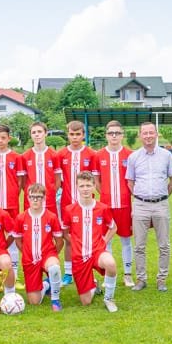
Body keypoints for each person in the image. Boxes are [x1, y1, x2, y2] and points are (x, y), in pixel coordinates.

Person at [126, 121, 172, 292]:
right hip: (140, 204)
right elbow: (130, 182)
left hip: (161, 204)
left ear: (156, 134)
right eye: (144, 133)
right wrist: (141, 198)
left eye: (151, 132)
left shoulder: (166, 155)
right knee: (139, 245)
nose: (148, 136)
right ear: (140, 136)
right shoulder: (133, 157)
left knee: (164, 245)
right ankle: (141, 279)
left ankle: (161, 279)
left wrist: (162, 196)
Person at [61, 171, 118, 312]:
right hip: (79, 257)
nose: (85, 189)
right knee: (85, 302)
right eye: (82, 186)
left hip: (97, 251)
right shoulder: (69, 210)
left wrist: (104, 240)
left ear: (94, 187)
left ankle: (109, 299)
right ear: (77, 187)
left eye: (88, 185)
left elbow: (113, 227)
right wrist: (74, 243)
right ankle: (94, 285)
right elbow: (65, 232)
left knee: (110, 263)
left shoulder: (102, 208)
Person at [93, 120, 135, 288]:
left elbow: (133, 180)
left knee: (125, 240)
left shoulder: (130, 155)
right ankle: (110, 275)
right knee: (106, 240)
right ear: (106, 135)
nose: (114, 136)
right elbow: (96, 181)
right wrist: (105, 196)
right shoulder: (99, 155)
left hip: (125, 205)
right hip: (106, 206)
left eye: (117, 133)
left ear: (122, 135)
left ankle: (128, 274)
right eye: (111, 133)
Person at [56, 120, 97, 285]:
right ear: (68, 135)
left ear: (83, 135)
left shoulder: (91, 154)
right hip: (67, 204)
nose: (75, 137)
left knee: (88, 239)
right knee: (68, 239)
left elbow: (94, 180)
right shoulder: (60, 155)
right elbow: (58, 181)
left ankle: (89, 273)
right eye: (72, 134)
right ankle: (68, 273)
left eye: (78, 134)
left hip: (87, 204)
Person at [13, 183, 64, 310]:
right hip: (29, 260)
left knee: (54, 267)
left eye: (39, 197)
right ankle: (47, 285)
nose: (35, 200)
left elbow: (59, 241)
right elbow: (18, 240)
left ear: (44, 198)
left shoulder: (51, 217)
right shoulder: (20, 218)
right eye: (32, 197)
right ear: (27, 198)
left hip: (47, 255)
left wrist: (52, 255)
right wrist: (26, 252)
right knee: (34, 301)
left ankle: (55, 300)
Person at [0, 124, 26, 278]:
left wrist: (13, 193)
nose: (1, 141)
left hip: (11, 204)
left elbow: (20, 181)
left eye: (3, 138)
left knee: (14, 236)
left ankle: (13, 274)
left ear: (9, 138)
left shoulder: (16, 157)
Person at [21, 121, 61, 217]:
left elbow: (58, 180)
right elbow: (23, 181)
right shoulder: (25, 156)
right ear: (30, 135)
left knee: (49, 227)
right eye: (34, 132)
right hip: (31, 199)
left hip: (49, 199)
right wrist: (30, 192)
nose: (37, 135)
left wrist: (51, 192)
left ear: (46, 133)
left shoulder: (54, 155)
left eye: (39, 131)